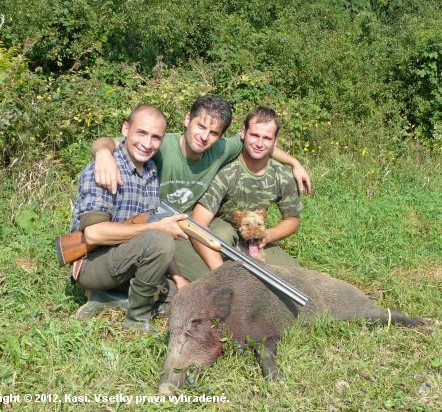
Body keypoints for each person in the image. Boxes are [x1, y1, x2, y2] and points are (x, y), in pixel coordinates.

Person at [90, 95, 310, 312]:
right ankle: (113, 296)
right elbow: (113, 142)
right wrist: (102, 154)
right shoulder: (159, 144)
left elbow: (260, 144)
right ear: (188, 120)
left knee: (214, 268)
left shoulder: (221, 148)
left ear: (221, 135)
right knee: (211, 283)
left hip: (187, 228)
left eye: (213, 133)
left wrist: (294, 162)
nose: (204, 137)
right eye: (200, 126)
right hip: (157, 229)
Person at [70, 105, 189, 334]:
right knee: (160, 239)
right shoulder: (105, 167)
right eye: (141, 133)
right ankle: (137, 319)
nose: (147, 143)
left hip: (125, 258)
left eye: (156, 137)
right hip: (93, 262)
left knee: (179, 294)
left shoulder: (151, 170)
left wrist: (179, 278)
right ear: (125, 129)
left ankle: (107, 300)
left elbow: (154, 225)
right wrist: (156, 228)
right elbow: (93, 233)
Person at [191, 106, 302, 269]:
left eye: (266, 138)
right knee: (224, 236)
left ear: (275, 141)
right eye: (254, 135)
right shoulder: (226, 170)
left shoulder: (282, 176)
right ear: (243, 133)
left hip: (254, 237)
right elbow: (198, 222)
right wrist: (220, 271)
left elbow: (292, 220)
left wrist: (267, 235)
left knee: (293, 273)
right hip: (221, 232)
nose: (259, 143)